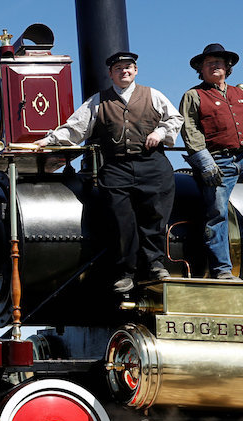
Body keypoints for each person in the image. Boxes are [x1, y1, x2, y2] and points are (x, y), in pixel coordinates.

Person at [34, 51, 184, 293]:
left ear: (135, 71)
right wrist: (48, 140)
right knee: (120, 220)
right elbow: (75, 128)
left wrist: (160, 132)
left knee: (155, 217)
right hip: (116, 167)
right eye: (118, 68)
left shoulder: (153, 95)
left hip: (152, 165)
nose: (124, 71)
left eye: (128, 67)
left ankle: (155, 265)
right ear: (110, 74)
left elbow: (175, 118)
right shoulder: (98, 101)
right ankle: (126, 272)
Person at [179, 43, 243, 280]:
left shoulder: (240, 94)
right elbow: (190, 129)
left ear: (227, 67)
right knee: (217, 214)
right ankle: (222, 270)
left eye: (218, 62)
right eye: (209, 63)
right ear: (201, 69)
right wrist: (205, 163)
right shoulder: (193, 95)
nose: (214, 65)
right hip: (218, 161)